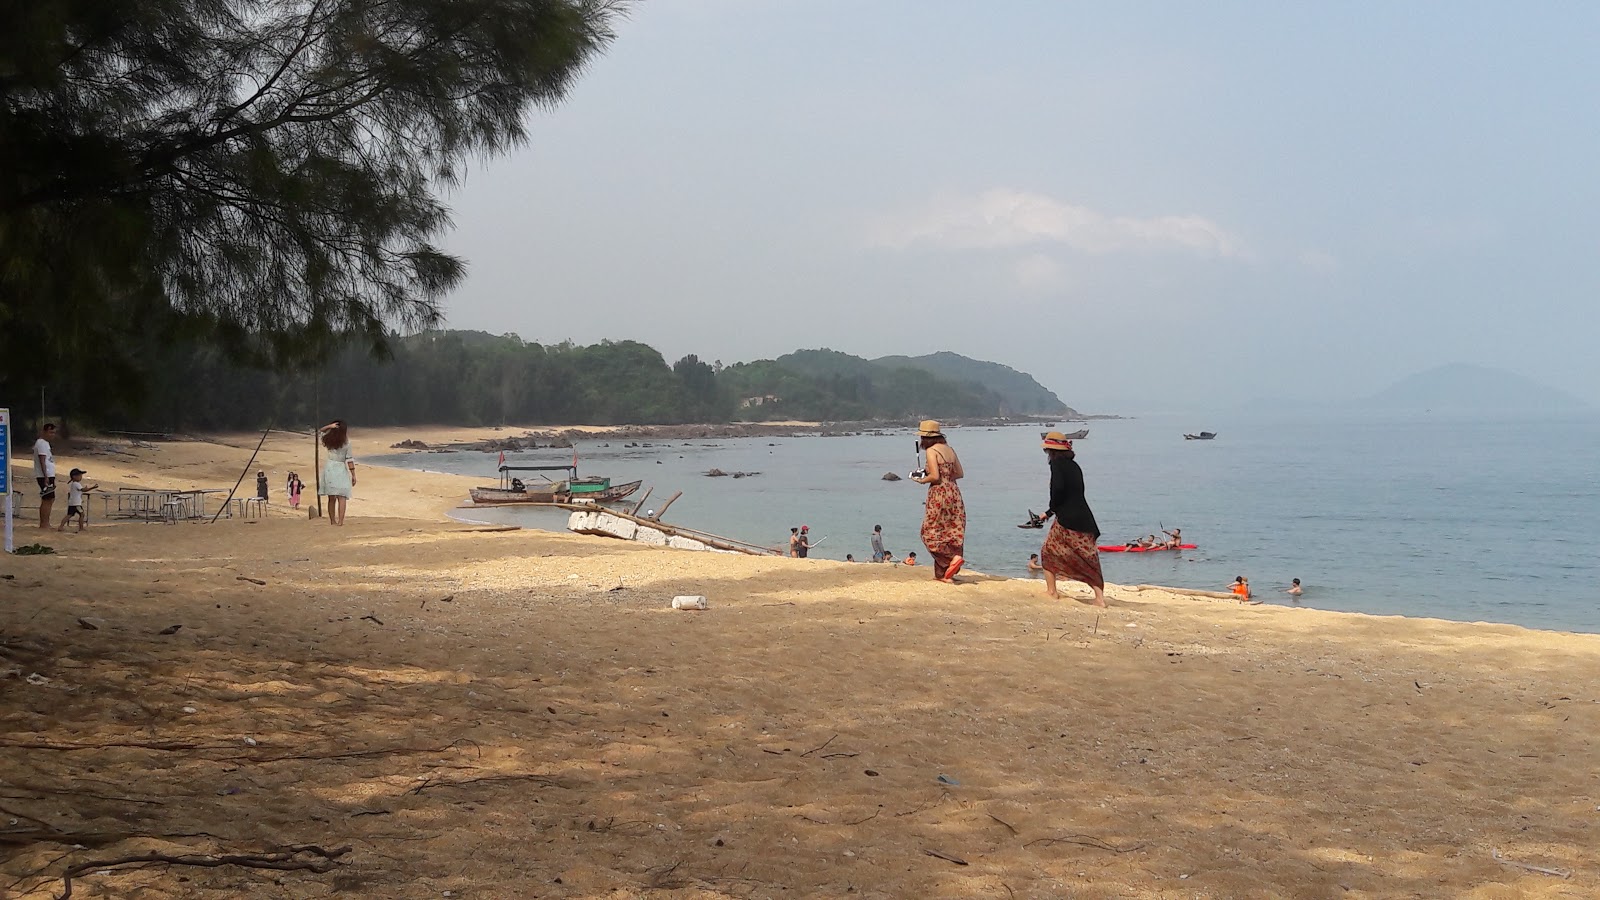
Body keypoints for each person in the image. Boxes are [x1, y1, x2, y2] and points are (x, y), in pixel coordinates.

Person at [1037, 433, 1106, 607]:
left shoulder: (1056, 465)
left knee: (1048, 551)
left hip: (1067, 519)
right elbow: (1075, 493)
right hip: (1085, 518)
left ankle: (1052, 591)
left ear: (1051, 451)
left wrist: (1051, 508)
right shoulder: (1075, 466)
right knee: (1089, 557)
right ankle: (1099, 598)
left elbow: (1058, 490)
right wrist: (1049, 512)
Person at [910, 420, 965, 582]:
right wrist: (947, 477)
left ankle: (951, 558)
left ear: (926, 438)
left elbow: (935, 476)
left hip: (938, 493)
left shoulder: (931, 451)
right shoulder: (950, 450)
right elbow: (959, 473)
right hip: (953, 492)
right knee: (950, 532)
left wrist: (921, 479)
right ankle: (942, 575)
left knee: (929, 533)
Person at [317, 420, 356, 525]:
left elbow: (320, 431)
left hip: (329, 466)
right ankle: (340, 521)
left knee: (331, 497)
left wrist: (330, 426)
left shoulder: (328, 439)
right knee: (341, 496)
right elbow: (349, 459)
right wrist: (353, 475)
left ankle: (332, 521)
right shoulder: (346, 443)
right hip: (340, 467)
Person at [56, 468, 97, 532]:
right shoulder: (76, 484)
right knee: (82, 514)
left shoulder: (74, 484)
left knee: (69, 515)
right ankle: (81, 528)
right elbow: (83, 490)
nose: (81, 477)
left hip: (72, 502)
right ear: (74, 476)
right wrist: (93, 487)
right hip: (76, 503)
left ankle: (61, 526)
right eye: (79, 475)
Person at [33, 423, 57, 529]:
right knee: (47, 498)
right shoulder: (41, 443)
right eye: (50, 432)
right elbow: (42, 460)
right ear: (44, 432)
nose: (52, 435)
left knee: (50, 498)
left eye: (53, 433)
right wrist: (46, 476)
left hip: (49, 474)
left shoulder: (46, 443)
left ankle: (45, 522)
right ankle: (44, 523)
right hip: (44, 475)